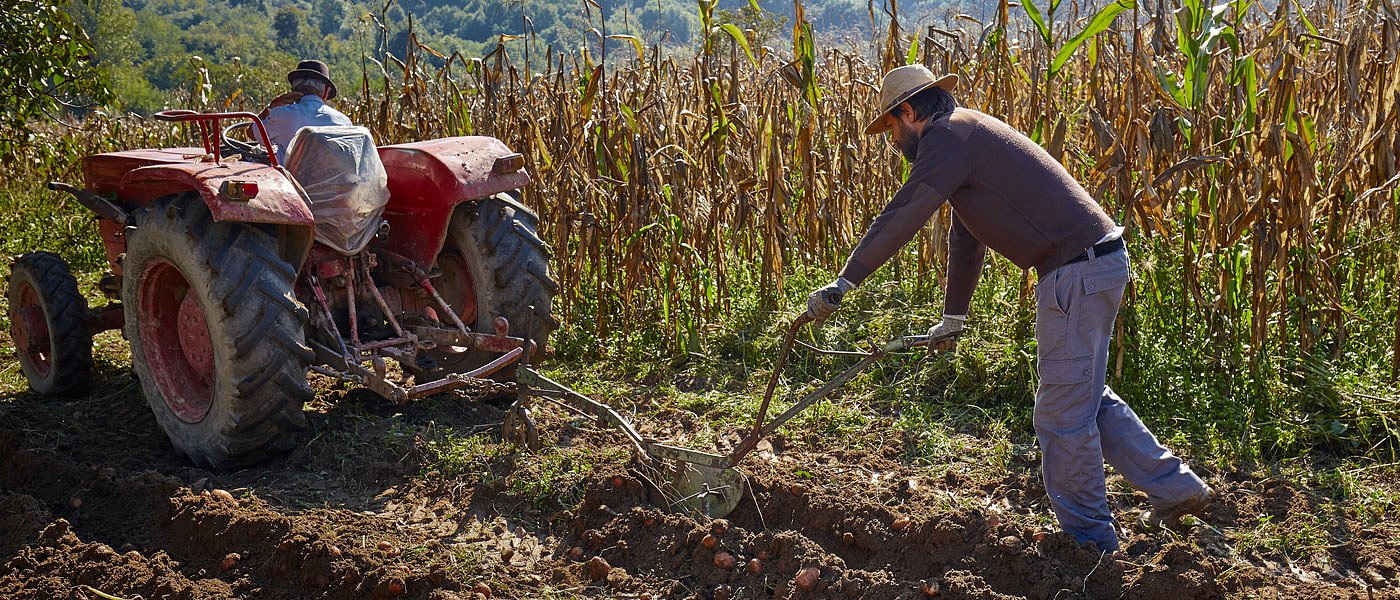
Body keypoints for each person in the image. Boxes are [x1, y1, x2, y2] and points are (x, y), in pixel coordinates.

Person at [805, 64, 1212, 554]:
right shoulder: (969, 135)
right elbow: (966, 237)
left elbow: (905, 212)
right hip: (1095, 262)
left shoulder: (947, 139)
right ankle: (1177, 489)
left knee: (1061, 414)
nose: (893, 140)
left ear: (908, 112)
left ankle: (1090, 545)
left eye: (891, 128)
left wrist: (845, 281)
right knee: (1082, 396)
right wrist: (954, 317)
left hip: (1075, 271)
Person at [259, 59, 352, 163]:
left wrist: (271, 107)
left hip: (290, 179)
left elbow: (251, 132)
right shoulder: (344, 122)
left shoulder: (282, 114)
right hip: (334, 179)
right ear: (326, 92)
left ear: (294, 90)